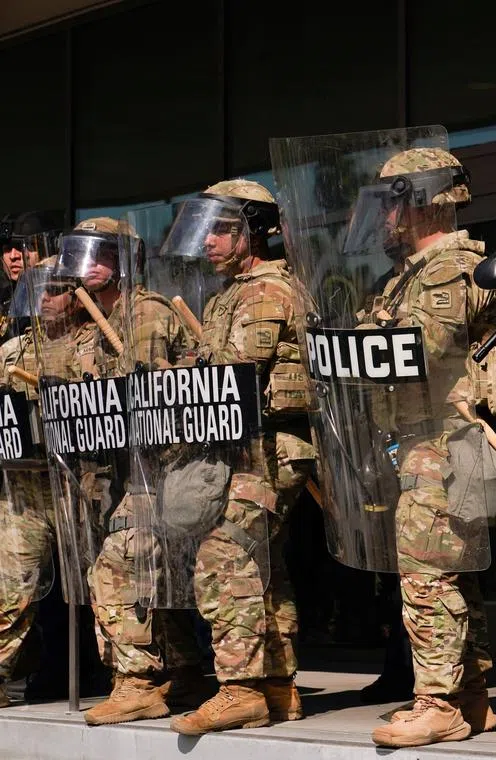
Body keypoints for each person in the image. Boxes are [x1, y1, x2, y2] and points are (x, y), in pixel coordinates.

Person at [364, 147, 496, 748]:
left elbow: (423, 347)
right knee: (455, 574)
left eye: (394, 201)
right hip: (423, 437)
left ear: (424, 203)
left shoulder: (449, 267)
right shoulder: (414, 271)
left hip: (444, 441)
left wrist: (356, 342)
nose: (384, 217)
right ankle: (471, 698)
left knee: (427, 574)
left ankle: (439, 702)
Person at [168, 180, 315, 735]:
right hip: (242, 447)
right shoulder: (229, 292)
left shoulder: (265, 291)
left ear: (252, 231)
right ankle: (277, 687)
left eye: (220, 229)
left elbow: (235, 375)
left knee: (224, 555)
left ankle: (240, 688)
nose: (206, 241)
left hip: (270, 449)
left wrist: (175, 378)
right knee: (259, 567)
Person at [71, 218, 208, 726]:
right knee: (158, 577)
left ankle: (137, 680)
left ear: (123, 262)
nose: (83, 266)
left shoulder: (144, 313)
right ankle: (185, 670)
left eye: (96, 256)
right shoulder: (97, 322)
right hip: (132, 473)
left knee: (115, 568)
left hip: (164, 470)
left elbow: (149, 403)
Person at [0, 256, 58, 707]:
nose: (44, 299)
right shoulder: (11, 351)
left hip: (89, 484)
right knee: (12, 587)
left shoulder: (98, 339)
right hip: (26, 487)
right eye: (37, 291)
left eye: (55, 289)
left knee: (109, 588)